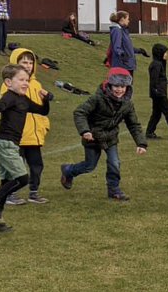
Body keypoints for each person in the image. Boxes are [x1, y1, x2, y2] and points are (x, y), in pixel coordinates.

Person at [0, 64, 52, 231]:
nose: (25, 83)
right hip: (4, 144)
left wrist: (46, 99)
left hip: (10, 145)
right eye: (21, 80)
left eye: (27, 80)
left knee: (6, 181)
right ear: (8, 82)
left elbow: (42, 111)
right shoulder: (9, 96)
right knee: (22, 179)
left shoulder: (23, 99)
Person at [59, 68, 148, 201]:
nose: (119, 90)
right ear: (110, 85)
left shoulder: (127, 104)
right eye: (116, 86)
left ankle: (113, 189)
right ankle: (68, 170)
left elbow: (133, 124)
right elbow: (80, 112)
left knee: (115, 162)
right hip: (93, 138)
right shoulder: (97, 98)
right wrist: (85, 131)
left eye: (123, 86)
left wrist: (141, 143)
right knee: (89, 166)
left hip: (110, 137)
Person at [0, 48, 52, 204]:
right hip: (17, 136)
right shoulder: (9, 85)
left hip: (34, 136)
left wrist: (44, 125)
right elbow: (2, 108)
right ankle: (10, 194)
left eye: (30, 62)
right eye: (23, 62)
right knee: (15, 167)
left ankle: (34, 192)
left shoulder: (36, 84)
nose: (28, 65)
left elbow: (40, 109)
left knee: (36, 165)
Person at [145, 43, 168, 140]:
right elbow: (154, 80)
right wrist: (157, 91)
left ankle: (149, 132)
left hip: (158, 92)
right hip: (159, 94)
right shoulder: (156, 65)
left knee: (157, 113)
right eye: (165, 53)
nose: (166, 55)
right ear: (159, 53)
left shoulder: (159, 64)